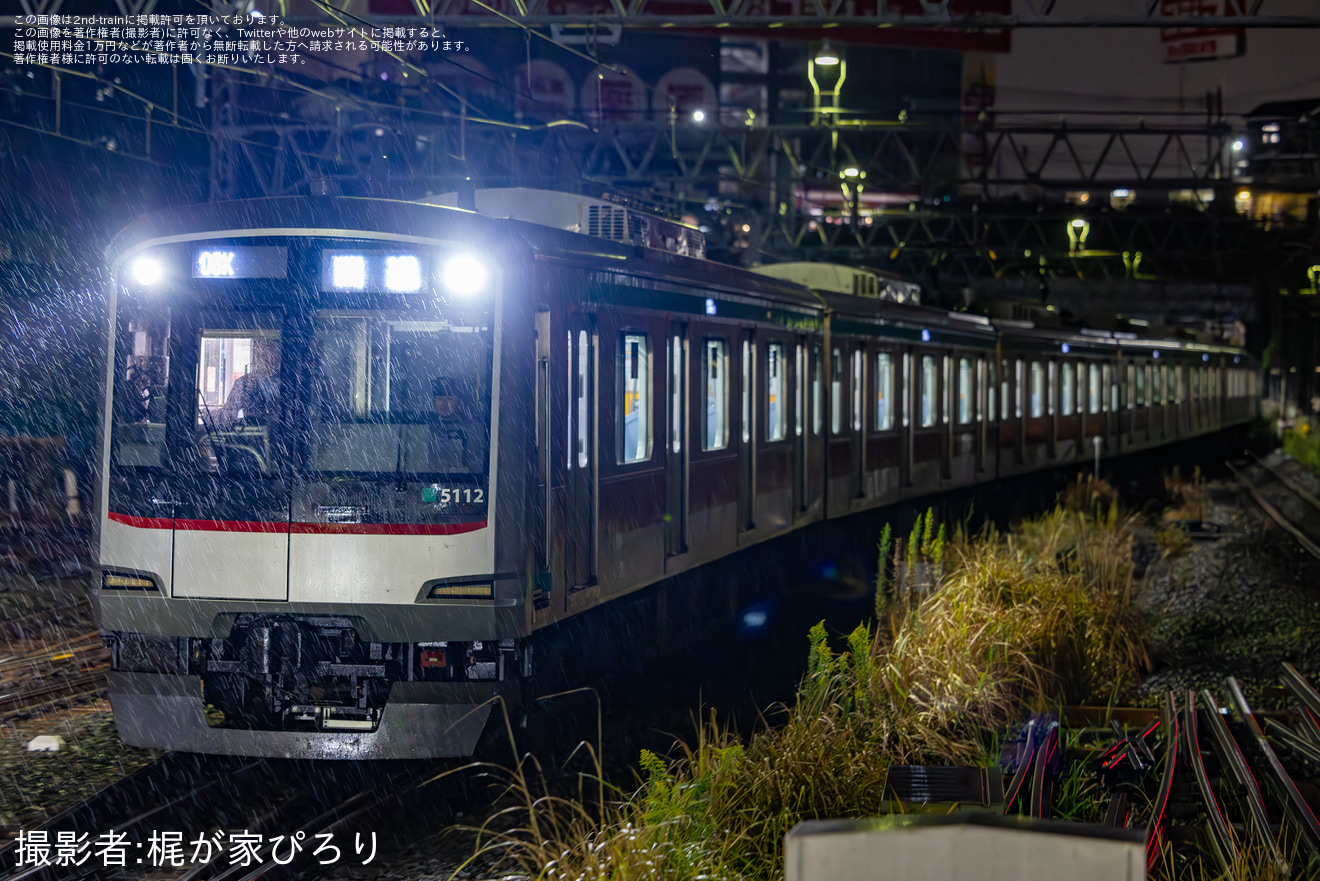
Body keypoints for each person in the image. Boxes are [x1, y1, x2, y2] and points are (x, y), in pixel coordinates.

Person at [221, 338, 281, 427]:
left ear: (278, 357)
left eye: (271, 354)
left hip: (282, 436)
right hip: (252, 436)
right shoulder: (243, 383)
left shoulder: (287, 383)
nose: (265, 359)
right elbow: (229, 414)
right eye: (262, 355)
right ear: (256, 356)